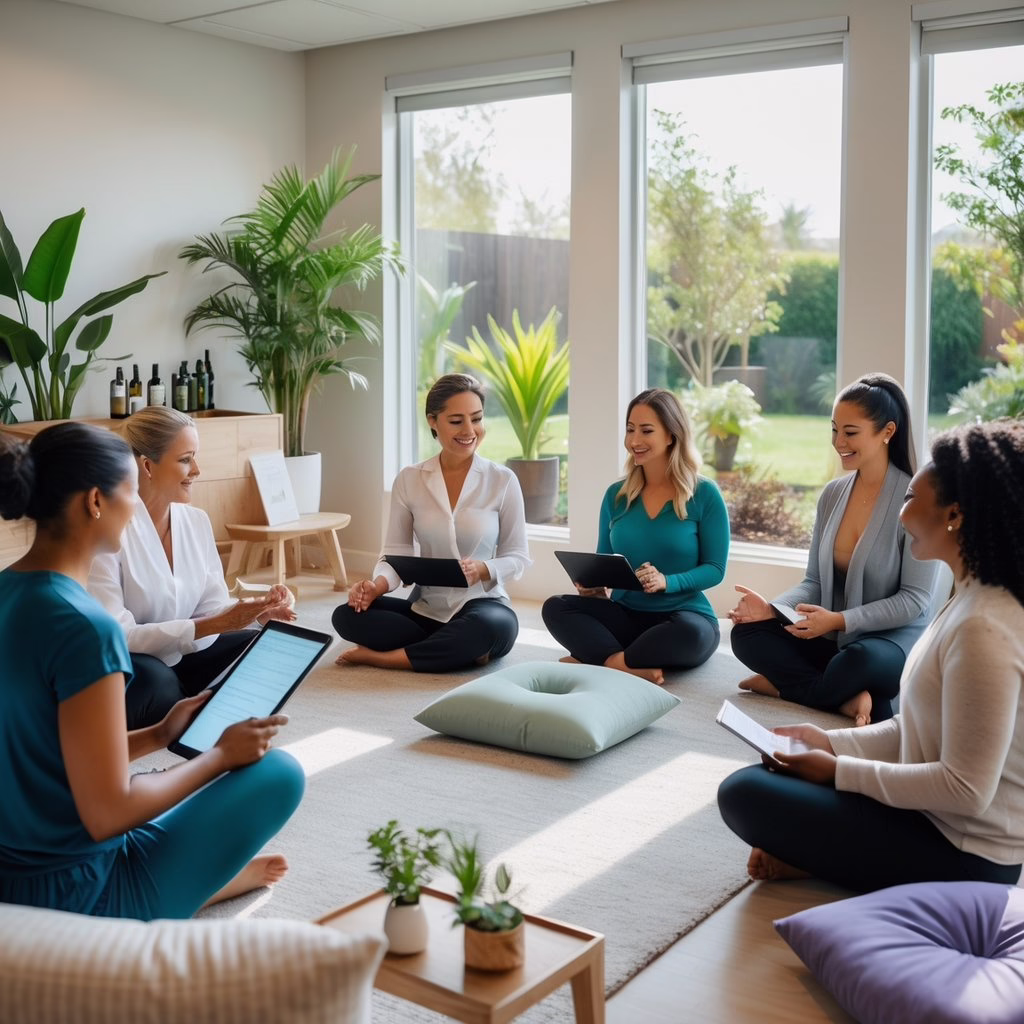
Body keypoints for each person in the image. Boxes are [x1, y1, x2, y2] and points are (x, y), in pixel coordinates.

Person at [0, 422, 304, 919]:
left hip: (14, 868)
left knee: (157, 809)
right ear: (95, 502)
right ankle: (200, 885)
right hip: (77, 893)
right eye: (129, 492)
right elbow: (109, 813)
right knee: (280, 773)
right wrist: (219, 757)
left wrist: (160, 734)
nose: (134, 507)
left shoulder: (7, 591)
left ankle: (202, 878)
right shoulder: (86, 627)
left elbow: (49, 752)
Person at [717, 419, 1024, 893]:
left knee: (745, 793)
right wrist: (830, 743)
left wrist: (838, 771)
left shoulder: (984, 628)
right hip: (930, 817)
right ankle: (825, 857)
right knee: (778, 773)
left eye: (911, 499)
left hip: (965, 858)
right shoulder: (969, 599)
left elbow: (966, 790)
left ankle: (824, 862)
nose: (900, 515)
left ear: (954, 515)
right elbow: (916, 728)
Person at [727, 373, 945, 725]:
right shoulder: (832, 495)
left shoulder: (915, 501)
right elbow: (813, 580)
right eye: (834, 430)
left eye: (850, 432)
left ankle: (785, 687)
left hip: (889, 642)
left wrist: (841, 620)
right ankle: (841, 698)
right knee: (745, 634)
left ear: (887, 431)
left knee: (859, 661)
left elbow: (914, 600)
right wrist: (773, 608)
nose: (838, 442)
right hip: (832, 636)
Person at [88, 407, 295, 729]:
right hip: (129, 662)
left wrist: (257, 612)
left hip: (183, 655)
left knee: (260, 644)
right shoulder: (108, 530)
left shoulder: (196, 521)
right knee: (157, 681)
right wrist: (215, 623)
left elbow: (212, 607)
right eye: (186, 459)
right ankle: (192, 704)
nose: (197, 470)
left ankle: (187, 704)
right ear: (147, 466)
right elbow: (118, 636)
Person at [332, 373, 531, 672]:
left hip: (482, 605)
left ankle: (385, 658)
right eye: (457, 421)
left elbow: (518, 557)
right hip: (426, 608)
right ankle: (452, 649)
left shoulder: (502, 480)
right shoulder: (410, 479)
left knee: (489, 629)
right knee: (346, 616)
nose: (470, 430)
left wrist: (484, 569)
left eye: (477, 419)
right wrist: (376, 586)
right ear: (432, 421)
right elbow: (395, 554)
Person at [542, 387, 729, 684]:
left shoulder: (704, 494)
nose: (634, 441)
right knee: (556, 607)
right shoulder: (616, 496)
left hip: (682, 616)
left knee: (691, 634)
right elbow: (604, 562)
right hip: (626, 614)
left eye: (646, 430)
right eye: (630, 429)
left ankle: (600, 657)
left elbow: (715, 569)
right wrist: (594, 589)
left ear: (671, 435)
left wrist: (667, 581)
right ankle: (621, 663)